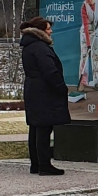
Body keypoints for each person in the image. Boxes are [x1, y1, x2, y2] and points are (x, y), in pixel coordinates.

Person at [20, 16, 70, 176]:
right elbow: (50, 71)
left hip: (33, 89)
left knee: (35, 127)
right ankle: (44, 165)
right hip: (44, 91)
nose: (51, 31)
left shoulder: (29, 46)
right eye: (48, 29)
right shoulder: (40, 48)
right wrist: (61, 88)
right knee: (44, 128)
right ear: (41, 31)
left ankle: (36, 164)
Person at [72, 0, 98, 100]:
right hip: (86, 33)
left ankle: (95, 81)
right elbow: (85, 26)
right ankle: (82, 82)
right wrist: (88, 43)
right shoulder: (83, 7)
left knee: (96, 56)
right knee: (84, 57)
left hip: (95, 31)